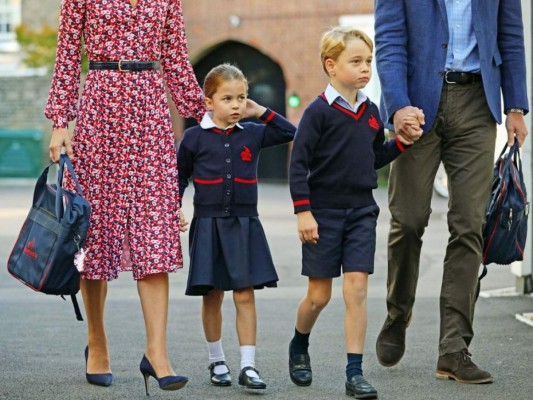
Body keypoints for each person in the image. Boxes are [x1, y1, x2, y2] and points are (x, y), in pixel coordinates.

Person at [45, 0, 205, 394]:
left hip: (150, 112)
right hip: (99, 109)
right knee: (94, 233)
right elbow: (67, 52)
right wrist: (60, 122)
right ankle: (97, 344)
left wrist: (208, 117)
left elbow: (176, 58)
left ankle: (158, 353)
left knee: (155, 231)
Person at [374, 0, 529, 384]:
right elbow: (390, 39)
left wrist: (516, 107)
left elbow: (510, 36)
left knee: (469, 225)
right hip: (417, 103)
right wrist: (397, 107)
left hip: (478, 104)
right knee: (408, 220)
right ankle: (397, 313)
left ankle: (454, 349)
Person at [287, 27, 417, 399]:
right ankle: (299, 344)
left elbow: (374, 158)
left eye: (368, 61)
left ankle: (354, 373)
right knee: (318, 297)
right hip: (322, 213)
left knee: (357, 290)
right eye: (356, 61)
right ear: (331, 65)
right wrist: (303, 213)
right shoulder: (317, 113)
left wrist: (401, 144)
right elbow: (298, 167)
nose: (365, 68)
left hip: (361, 211)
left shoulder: (372, 112)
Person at [177, 63, 296, 390]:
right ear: (208, 102)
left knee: (245, 294)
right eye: (227, 98)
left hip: (245, 224)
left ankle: (248, 366)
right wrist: (174, 206)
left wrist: (260, 111)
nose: (235, 105)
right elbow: (179, 176)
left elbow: (290, 133)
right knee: (212, 294)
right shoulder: (193, 137)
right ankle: (217, 361)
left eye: (241, 98)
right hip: (208, 223)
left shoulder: (254, 133)